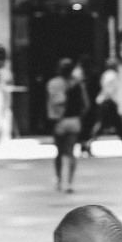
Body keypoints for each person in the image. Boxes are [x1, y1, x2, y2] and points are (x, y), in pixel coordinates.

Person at [46, 58, 88, 192]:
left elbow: (51, 103)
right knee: (70, 152)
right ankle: (70, 183)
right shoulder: (78, 84)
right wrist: (79, 115)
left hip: (60, 121)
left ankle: (59, 180)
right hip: (74, 121)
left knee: (59, 153)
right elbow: (86, 104)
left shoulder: (54, 83)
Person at [87, 59, 122, 153]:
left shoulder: (106, 74)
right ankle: (88, 143)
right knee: (115, 125)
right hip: (108, 102)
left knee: (103, 124)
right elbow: (109, 90)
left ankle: (88, 143)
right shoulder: (112, 75)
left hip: (106, 101)